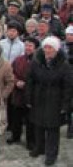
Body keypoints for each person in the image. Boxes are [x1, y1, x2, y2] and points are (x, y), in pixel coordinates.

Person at [26, 36, 72, 166]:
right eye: (45, 47)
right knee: (38, 125)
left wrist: (65, 105)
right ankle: (39, 148)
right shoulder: (36, 61)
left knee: (52, 129)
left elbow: (68, 86)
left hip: (55, 100)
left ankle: (51, 154)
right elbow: (30, 80)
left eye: (50, 48)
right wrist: (28, 98)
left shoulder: (64, 64)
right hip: (38, 97)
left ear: (56, 50)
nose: (47, 50)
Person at [7, 36, 39, 149]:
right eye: (26, 45)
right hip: (17, 93)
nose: (28, 48)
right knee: (16, 117)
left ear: (35, 48)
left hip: (31, 94)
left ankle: (31, 141)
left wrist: (27, 84)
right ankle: (15, 136)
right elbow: (11, 73)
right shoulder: (19, 59)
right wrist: (16, 82)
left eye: (30, 46)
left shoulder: (39, 61)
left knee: (30, 120)